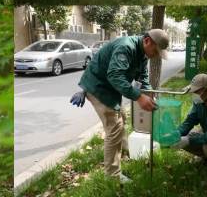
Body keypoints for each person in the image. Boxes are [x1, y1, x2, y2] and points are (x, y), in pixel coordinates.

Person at [70, 29, 169, 184]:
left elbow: (142, 75)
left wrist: (148, 92)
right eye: (156, 51)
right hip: (99, 88)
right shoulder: (126, 47)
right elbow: (115, 75)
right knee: (115, 128)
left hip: (111, 88)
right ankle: (113, 176)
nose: (156, 55)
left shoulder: (143, 53)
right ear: (147, 41)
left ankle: (123, 152)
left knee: (121, 117)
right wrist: (138, 97)